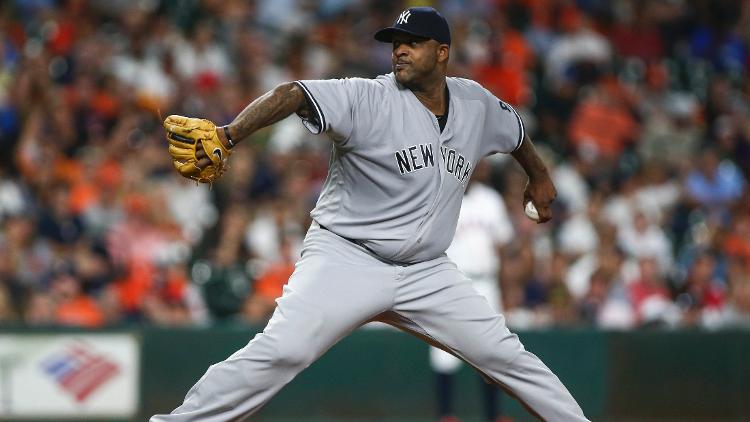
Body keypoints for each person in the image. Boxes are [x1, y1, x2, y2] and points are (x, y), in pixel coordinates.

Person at [153, 7, 587, 421]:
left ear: (442, 53)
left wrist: (539, 175)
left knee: (505, 356)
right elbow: (294, 94)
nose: (400, 50)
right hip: (346, 258)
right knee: (283, 351)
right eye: (396, 42)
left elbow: (515, 133)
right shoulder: (368, 97)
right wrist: (229, 135)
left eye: (412, 42)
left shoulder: (477, 104)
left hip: (426, 272)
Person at [429, 159, 514, 422]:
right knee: (444, 350)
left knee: (492, 350)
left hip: (486, 282)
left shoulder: (491, 200)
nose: (482, 168)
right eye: (477, 162)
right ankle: (446, 415)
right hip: (451, 282)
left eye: (484, 164)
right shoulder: (441, 196)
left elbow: (501, 248)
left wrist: (505, 287)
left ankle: (493, 415)